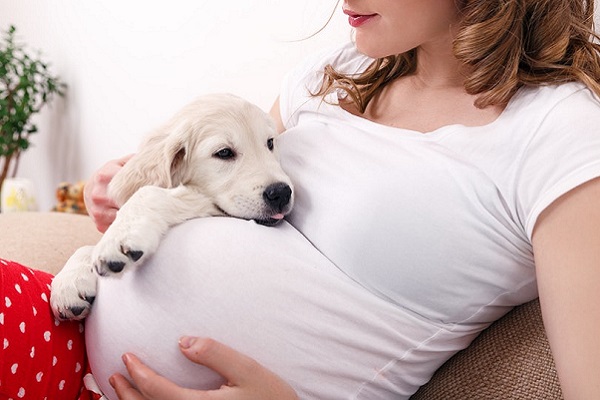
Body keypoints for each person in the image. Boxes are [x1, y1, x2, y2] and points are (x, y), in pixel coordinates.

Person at [2, 0, 600, 399]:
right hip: (69, 347)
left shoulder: (562, 133)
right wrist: (137, 194)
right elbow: (226, 184)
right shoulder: (336, 69)